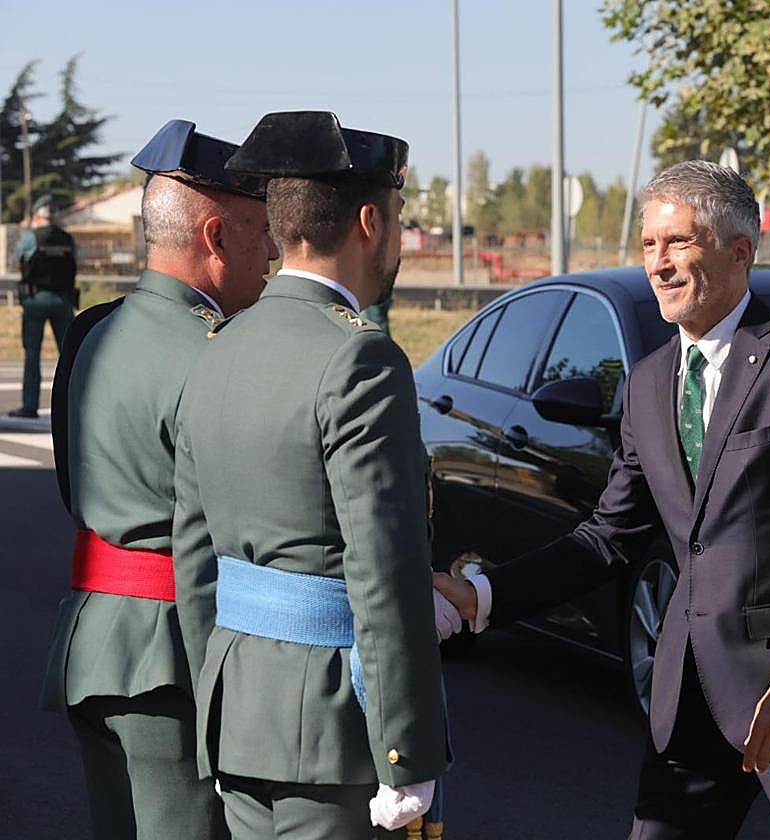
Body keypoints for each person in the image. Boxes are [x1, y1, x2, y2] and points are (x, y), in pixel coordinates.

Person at [435, 160, 770, 839]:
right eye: (650, 245)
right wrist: (482, 596)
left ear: (739, 252)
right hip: (686, 700)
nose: (660, 263)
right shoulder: (651, 382)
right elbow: (609, 536)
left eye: (678, 242)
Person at [171, 111, 453, 839]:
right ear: (370, 221)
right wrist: (406, 751)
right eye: (397, 217)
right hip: (332, 732)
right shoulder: (361, 359)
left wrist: (219, 701)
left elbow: (195, 554)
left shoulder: (220, 345)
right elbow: (384, 569)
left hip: (239, 713)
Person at [41, 119, 277, 839]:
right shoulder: (225, 355)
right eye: (260, 231)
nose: (271, 251)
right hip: (174, 662)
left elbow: (69, 488)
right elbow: (255, 532)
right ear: (214, 237)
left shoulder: (91, 333)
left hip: (95, 647)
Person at [9, 194, 76, 418]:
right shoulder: (67, 238)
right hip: (63, 300)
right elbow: (73, 266)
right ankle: (73, 403)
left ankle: (30, 406)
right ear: (54, 215)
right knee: (69, 354)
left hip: (36, 300)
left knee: (32, 354)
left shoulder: (30, 238)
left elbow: (19, 261)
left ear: (37, 215)